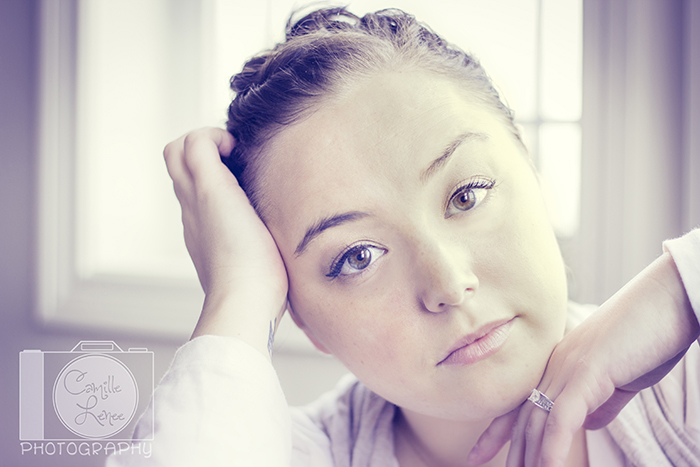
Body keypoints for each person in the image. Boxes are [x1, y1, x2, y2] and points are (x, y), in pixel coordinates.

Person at [108, 7, 700, 467]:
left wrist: (679, 289)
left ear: (531, 168)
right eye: (357, 257)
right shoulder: (301, 453)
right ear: (299, 315)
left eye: (466, 195)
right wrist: (237, 296)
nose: (448, 283)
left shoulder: (681, 383)